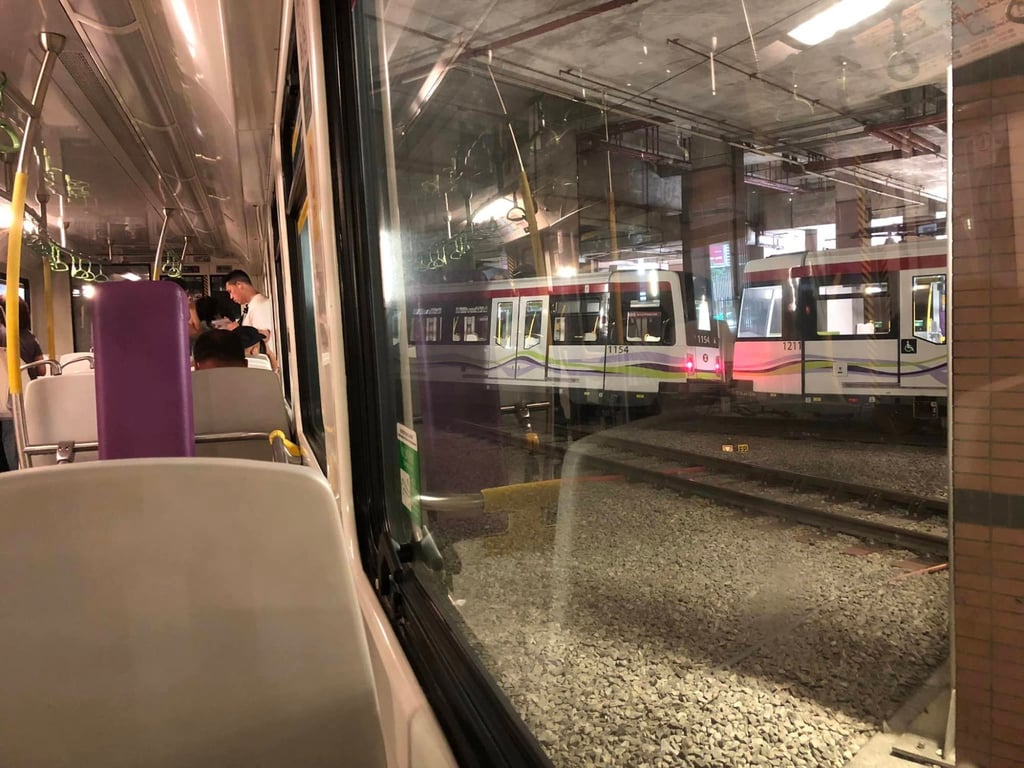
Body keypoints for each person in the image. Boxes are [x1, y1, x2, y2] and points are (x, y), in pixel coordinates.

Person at [1, 297, 45, 471]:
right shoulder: (30, 337)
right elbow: (42, 369)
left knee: (9, 435)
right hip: (27, 394)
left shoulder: (3, 336)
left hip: (7, 395)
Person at [224, 270, 275, 357]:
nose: (231, 297)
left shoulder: (260, 306)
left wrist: (237, 330)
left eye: (230, 291)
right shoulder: (251, 306)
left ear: (239, 285)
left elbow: (263, 337)